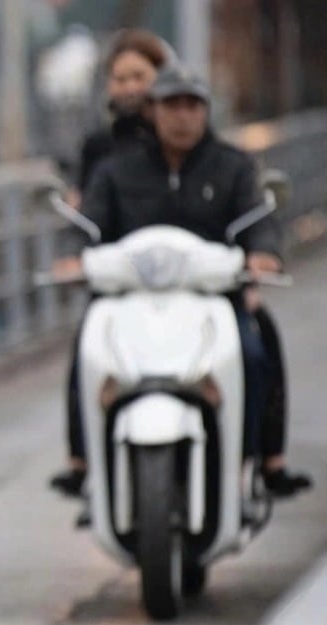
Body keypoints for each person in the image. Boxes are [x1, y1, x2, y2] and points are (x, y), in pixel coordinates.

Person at [49, 65, 311, 500]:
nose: (182, 116)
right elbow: (86, 226)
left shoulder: (235, 167)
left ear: (206, 111)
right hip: (133, 300)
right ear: (153, 110)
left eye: (192, 105)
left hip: (213, 299)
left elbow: (260, 222)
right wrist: (71, 257)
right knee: (86, 351)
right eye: (172, 104)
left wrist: (263, 255)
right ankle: (81, 460)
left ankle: (264, 460)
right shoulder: (116, 170)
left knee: (257, 345)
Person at [74, 29, 169, 197]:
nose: (130, 88)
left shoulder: (176, 141)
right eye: (120, 79)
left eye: (139, 77)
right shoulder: (98, 147)